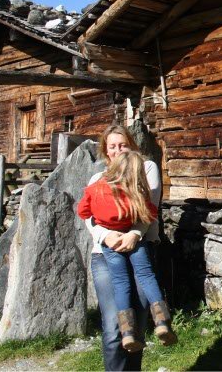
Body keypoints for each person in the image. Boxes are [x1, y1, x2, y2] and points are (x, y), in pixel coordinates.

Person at [78, 150, 177, 351]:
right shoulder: (136, 192)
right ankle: (162, 321)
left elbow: (82, 212)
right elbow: (150, 213)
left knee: (120, 282)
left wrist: (99, 217)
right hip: (134, 241)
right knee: (147, 276)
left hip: (111, 244)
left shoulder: (95, 189)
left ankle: (128, 333)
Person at [85, 125, 163, 370]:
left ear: (131, 146)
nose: (118, 150)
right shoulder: (97, 179)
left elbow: (149, 207)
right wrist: (106, 236)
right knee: (113, 326)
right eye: (112, 146)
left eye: (123, 145)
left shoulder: (146, 168)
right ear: (105, 151)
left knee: (136, 324)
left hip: (139, 248)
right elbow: (88, 217)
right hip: (105, 254)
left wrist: (135, 233)